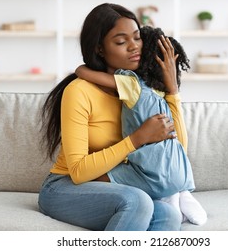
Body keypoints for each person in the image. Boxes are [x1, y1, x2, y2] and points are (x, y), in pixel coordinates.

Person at [39, 3, 184, 231]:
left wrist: (172, 90)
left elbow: (176, 154)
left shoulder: (142, 92)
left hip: (113, 185)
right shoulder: (79, 91)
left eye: (137, 38)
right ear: (99, 49)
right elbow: (78, 173)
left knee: (169, 215)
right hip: (64, 187)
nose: (134, 47)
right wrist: (137, 139)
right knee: (137, 201)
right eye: (120, 41)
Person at [75, 26, 207, 226]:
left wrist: (81, 68)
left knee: (93, 178)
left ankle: (169, 195)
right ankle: (179, 194)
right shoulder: (163, 95)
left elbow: (84, 73)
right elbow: (180, 142)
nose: (132, 48)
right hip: (180, 173)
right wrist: (173, 89)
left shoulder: (132, 84)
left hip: (151, 173)